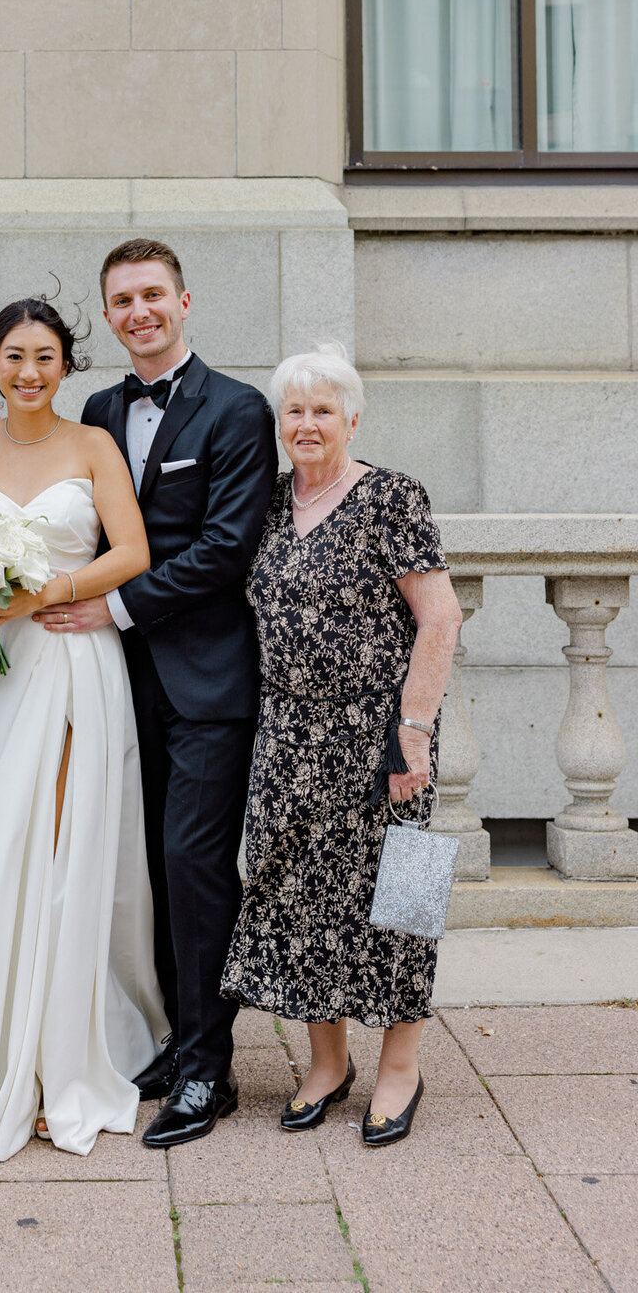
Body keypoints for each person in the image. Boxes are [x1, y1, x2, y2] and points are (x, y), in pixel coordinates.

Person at [0, 297, 167, 1168]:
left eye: (46, 356)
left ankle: (62, 1059)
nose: (29, 371)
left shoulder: (92, 443)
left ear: (66, 365)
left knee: (57, 842)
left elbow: (130, 551)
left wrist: (45, 591)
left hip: (63, 657)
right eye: (15, 355)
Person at [40, 238, 278, 1148]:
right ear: (108, 317)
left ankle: (210, 1069)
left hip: (207, 679)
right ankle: (182, 1038)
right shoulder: (100, 406)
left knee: (194, 863)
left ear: (186, 301)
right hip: (111, 682)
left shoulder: (237, 408)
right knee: (144, 867)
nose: (139, 311)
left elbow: (226, 548)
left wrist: (119, 609)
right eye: (122, 301)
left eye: (153, 295)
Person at [221, 343, 462, 1147]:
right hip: (290, 732)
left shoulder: (391, 496)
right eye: (294, 409)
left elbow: (441, 616)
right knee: (298, 894)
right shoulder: (266, 505)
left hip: (383, 732)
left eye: (323, 408)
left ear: (352, 417)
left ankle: (401, 1065)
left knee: (402, 897)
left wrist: (415, 730)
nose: (308, 422)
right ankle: (328, 1063)